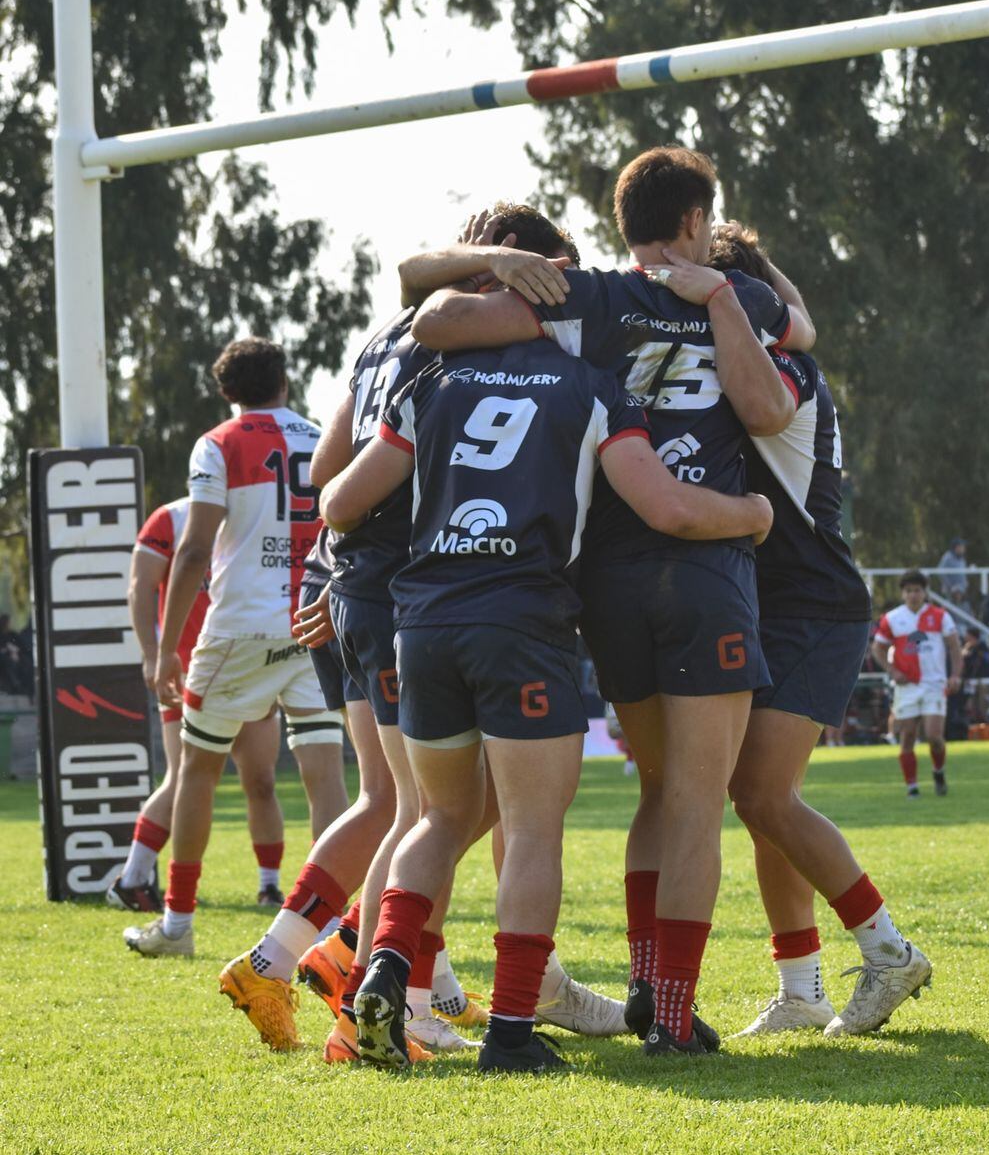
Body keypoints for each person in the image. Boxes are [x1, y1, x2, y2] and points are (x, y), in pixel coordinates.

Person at [413, 146, 809, 1055]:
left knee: (658, 787)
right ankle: (669, 1011)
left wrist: (500, 270)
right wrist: (717, 294)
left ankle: (643, 983)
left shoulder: (583, 295)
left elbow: (437, 322)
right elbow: (771, 406)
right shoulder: (736, 299)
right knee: (696, 802)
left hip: (607, 580)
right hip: (704, 564)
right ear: (696, 223)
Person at [219, 211, 629, 1056]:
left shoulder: (385, 339)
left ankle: (387, 969)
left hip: (371, 581)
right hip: (417, 591)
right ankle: (359, 976)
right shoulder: (454, 352)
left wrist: (335, 570)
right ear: (511, 281)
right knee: (422, 808)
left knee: (429, 805)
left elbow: (332, 472)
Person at [322, 332, 771, 1073]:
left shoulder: (431, 378)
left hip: (423, 622)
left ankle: (386, 973)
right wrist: (751, 514)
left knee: (438, 817)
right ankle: (509, 1032)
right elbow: (665, 507)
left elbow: (339, 501)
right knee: (531, 829)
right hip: (522, 622)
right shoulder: (592, 383)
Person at [682, 222, 931, 1038]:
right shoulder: (777, 345)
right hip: (777, 606)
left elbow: (779, 331)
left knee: (759, 793)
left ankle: (887, 950)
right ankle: (800, 988)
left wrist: (723, 285)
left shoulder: (774, 371)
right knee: (759, 800)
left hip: (815, 609)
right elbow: (792, 307)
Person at [124, 337, 349, 959]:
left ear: (227, 393)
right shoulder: (324, 434)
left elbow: (194, 549)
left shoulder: (218, 443)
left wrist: (167, 647)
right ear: (284, 379)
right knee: (324, 775)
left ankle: (177, 925)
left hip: (241, 626)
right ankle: (329, 928)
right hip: (312, 617)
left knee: (196, 768)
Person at [108, 495, 288, 912]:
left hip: (251, 663)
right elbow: (139, 586)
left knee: (261, 781)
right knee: (183, 776)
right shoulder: (169, 517)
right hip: (189, 671)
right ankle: (132, 879)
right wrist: (153, 654)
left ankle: (270, 886)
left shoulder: (259, 509)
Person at [872, 570, 963, 797]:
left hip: (934, 684)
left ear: (925, 592)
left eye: (918, 590)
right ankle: (912, 787)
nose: (913, 595)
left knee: (934, 736)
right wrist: (892, 670)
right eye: (909, 590)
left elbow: (954, 647)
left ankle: (938, 771)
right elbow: (877, 648)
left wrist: (956, 675)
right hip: (907, 686)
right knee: (908, 736)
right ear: (903, 593)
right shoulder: (892, 618)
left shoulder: (940, 616)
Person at [936, 537, 970, 607]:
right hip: (951, 591)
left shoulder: (962, 558)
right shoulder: (948, 557)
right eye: (961, 546)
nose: (963, 549)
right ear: (956, 547)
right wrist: (950, 586)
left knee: (962, 610)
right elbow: (940, 571)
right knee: (950, 609)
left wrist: (965, 583)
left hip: (961, 590)